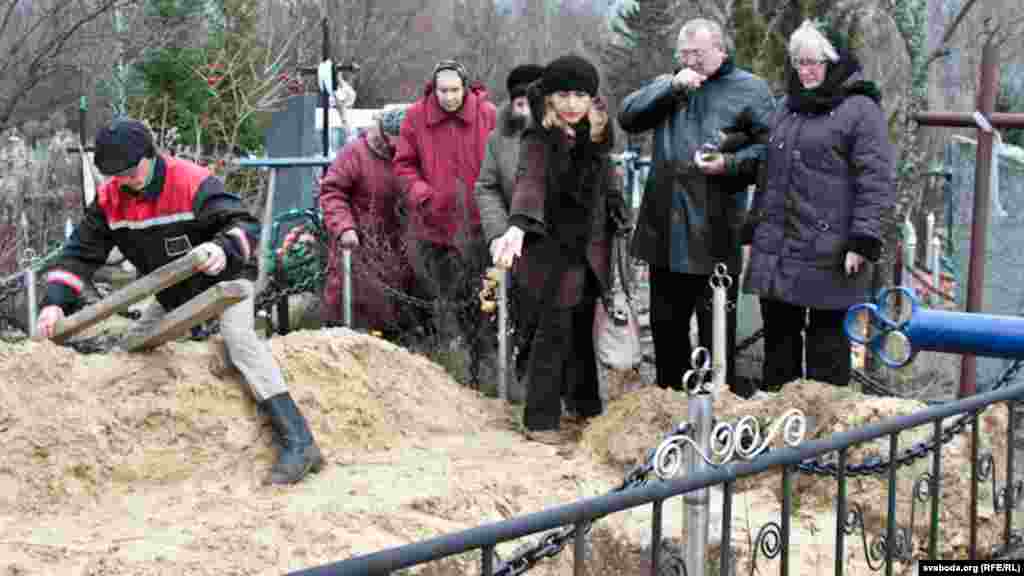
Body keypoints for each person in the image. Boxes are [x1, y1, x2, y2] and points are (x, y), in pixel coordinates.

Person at [36, 118, 323, 485]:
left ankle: (300, 443)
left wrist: (223, 248)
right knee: (130, 348)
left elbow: (243, 224)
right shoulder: (109, 201)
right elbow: (77, 255)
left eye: (129, 171)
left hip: (226, 282)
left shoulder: (190, 181)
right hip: (173, 291)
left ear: (149, 156)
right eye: (115, 175)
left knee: (240, 342)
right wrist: (54, 303)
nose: (124, 180)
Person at [618, 18, 774, 397]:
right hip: (665, 231)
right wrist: (670, 87)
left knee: (715, 329)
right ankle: (668, 404)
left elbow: (771, 151)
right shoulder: (670, 85)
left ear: (720, 50)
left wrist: (729, 165)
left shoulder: (750, 90)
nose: (689, 60)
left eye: (697, 54)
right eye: (683, 54)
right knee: (666, 328)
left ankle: (718, 404)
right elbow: (628, 117)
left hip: (715, 230)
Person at [741, 20, 895, 390]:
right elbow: (768, 175)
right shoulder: (785, 109)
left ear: (833, 62)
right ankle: (780, 429)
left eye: (813, 62)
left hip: (831, 248)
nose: (805, 71)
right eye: (798, 63)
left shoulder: (860, 110)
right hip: (778, 245)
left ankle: (824, 435)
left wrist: (863, 238)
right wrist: (753, 227)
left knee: (827, 346)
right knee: (779, 343)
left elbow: (875, 180)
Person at [492, 54, 629, 444]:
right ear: (550, 99)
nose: (572, 104)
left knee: (583, 331)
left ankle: (585, 408)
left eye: (580, 95)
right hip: (550, 251)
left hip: (590, 250)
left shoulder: (597, 134)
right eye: (564, 95)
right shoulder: (539, 138)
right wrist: (517, 226)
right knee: (552, 334)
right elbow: (529, 183)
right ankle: (540, 419)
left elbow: (607, 177)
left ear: (591, 99)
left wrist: (618, 203)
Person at [393, 59, 498, 383]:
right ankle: (449, 371)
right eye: (443, 91)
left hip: (481, 225)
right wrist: (422, 194)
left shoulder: (487, 115)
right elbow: (404, 165)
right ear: (433, 89)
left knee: (484, 304)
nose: (449, 97)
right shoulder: (415, 117)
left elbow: (502, 161)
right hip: (434, 226)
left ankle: (486, 369)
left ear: (465, 88)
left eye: (455, 90)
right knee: (445, 301)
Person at [474, 63, 545, 403]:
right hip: (512, 245)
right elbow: (486, 187)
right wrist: (499, 234)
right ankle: (518, 387)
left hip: (551, 240)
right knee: (517, 317)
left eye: (531, 102)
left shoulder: (560, 135)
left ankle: (547, 390)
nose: (525, 110)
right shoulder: (498, 140)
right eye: (519, 103)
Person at [318, 104, 415, 336]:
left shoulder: (414, 156)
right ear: (381, 133)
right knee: (356, 315)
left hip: (400, 251)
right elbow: (332, 193)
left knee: (397, 319)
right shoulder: (355, 154)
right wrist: (344, 228)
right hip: (358, 248)